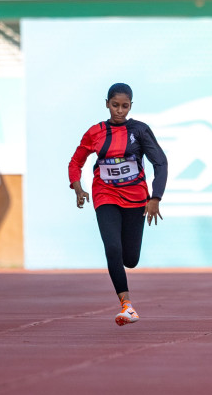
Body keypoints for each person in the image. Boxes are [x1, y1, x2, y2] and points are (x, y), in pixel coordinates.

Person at [70, 83, 169, 325]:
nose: (119, 111)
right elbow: (76, 162)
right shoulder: (95, 132)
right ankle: (127, 305)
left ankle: (124, 274)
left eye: (125, 106)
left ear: (131, 106)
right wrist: (78, 187)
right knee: (112, 248)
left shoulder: (140, 131)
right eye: (115, 105)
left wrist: (155, 197)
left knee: (130, 259)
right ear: (106, 104)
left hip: (136, 198)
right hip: (105, 195)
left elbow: (161, 163)